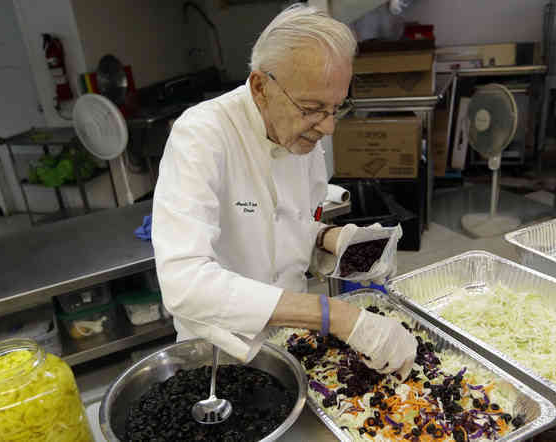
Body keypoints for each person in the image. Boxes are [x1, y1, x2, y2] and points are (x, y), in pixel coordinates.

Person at [152, 4, 417, 379]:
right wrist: (335, 315)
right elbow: (184, 284)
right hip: (221, 353)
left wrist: (330, 239)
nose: (328, 128)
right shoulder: (201, 135)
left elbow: (291, 223)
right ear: (261, 87)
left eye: (336, 108)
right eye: (312, 109)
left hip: (291, 342)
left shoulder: (304, 136)